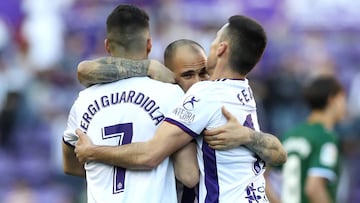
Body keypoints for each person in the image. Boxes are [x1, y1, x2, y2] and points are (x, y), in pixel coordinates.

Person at [74, 15, 287, 202]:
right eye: (187, 75)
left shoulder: (207, 95)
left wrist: (92, 151)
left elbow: (174, 167)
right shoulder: (241, 90)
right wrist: (147, 67)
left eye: (202, 72)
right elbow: (84, 70)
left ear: (221, 48)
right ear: (169, 77)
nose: (196, 82)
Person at [62, 4, 198, 203]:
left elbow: (70, 165)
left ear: (107, 46)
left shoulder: (83, 101)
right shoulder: (172, 94)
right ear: (149, 45)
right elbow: (188, 174)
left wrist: (104, 167)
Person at [281, 76, 346, 203]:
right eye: (342, 98)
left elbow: (263, 176)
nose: (345, 105)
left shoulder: (290, 135)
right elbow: (314, 188)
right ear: (332, 99)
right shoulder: (326, 138)